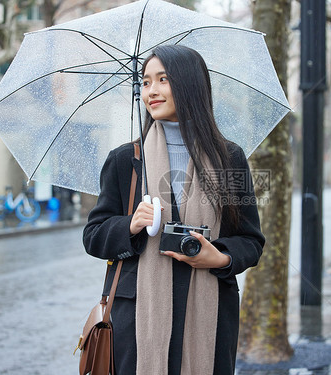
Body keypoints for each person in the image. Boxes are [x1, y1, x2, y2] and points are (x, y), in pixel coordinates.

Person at [83, 45, 264, 375]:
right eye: (146, 81)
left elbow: (250, 240)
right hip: (139, 316)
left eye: (162, 79)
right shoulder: (126, 160)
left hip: (210, 313)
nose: (151, 91)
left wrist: (220, 258)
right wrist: (129, 225)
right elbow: (94, 236)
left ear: (189, 84)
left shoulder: (229, 160)